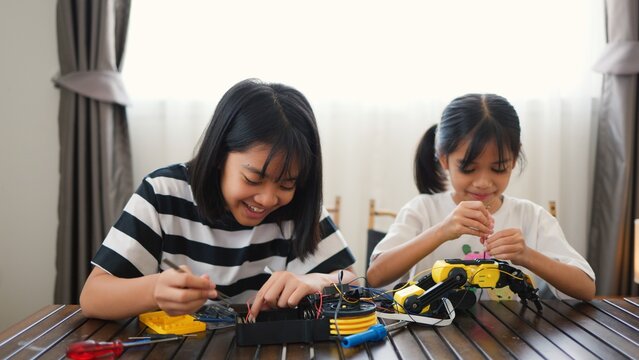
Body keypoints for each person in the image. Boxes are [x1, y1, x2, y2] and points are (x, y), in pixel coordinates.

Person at [80, 79, 357, 319]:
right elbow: (92, 297)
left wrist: (315, 281)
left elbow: (351, 279)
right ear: (219, 156)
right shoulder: (164, 194)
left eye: (287, 183)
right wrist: (154, 290)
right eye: (253, 179)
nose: (268, 198)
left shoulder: (296, 206)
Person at [366, 94, 595, 301]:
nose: (483, 182)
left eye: (498, 168)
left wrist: (527, 255)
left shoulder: (530, 217)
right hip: (429, 337)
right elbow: (376, 277)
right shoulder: (423, 210)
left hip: (511, 340)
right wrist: (441, 231)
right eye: (468, 168)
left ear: (514, 160)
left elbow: (586, 289)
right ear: (444, 159)